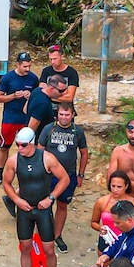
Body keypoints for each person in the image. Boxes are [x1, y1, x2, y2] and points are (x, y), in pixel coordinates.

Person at [2, 127, 70, 267]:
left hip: (42, 209)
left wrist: (51, 198)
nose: (20, 148)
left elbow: (65, 179)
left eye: (23, 145)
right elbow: (6, 183)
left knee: (49, 249)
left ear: (31, 143)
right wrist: (16, 200)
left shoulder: (46, 158)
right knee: (25, 248)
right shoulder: (14, 160)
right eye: (17, 145)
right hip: (24, 210)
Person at [38, 103, 88, 252]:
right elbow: (39, 151)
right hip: (48, 175)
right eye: (61, 114)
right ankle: (43, 235)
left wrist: (81, 174)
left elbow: (84, 153)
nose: (64, 117)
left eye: (67, 115)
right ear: (57, 114)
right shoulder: (49, 129)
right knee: (43, 206)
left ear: (72, 115)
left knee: (62, 205)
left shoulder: (77, 132)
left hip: (69, 175)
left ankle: (57, 235)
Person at [0, 51, 40, 183]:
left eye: (29, 66)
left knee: (28, 147)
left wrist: (30, 95)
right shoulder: (7, 78)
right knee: (5, 146)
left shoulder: (33, 78)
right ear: (18, 65)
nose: (27, 69)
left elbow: (38, 95)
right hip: (10, 117)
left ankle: (29, 174)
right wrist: (14, 96)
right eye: (25, 66)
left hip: (26, 118)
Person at [91, 171, 132, 254]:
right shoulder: (101, 202)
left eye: (119, 187)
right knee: (104, 265)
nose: (115, 190)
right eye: (113, 186)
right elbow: (93, 222)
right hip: (106, 240)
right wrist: (100, 228)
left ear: (126, 186)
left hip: (126, 241)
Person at [39, 44, 79, 109]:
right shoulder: (46, 71)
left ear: (62, 57)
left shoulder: (71, 72)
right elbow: (41, 91)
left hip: (65, 110)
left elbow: (69, 97)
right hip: (48, 110)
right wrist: (63, 94)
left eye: (55, 59)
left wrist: (49, 96)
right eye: (50, 59)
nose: (52, 62)